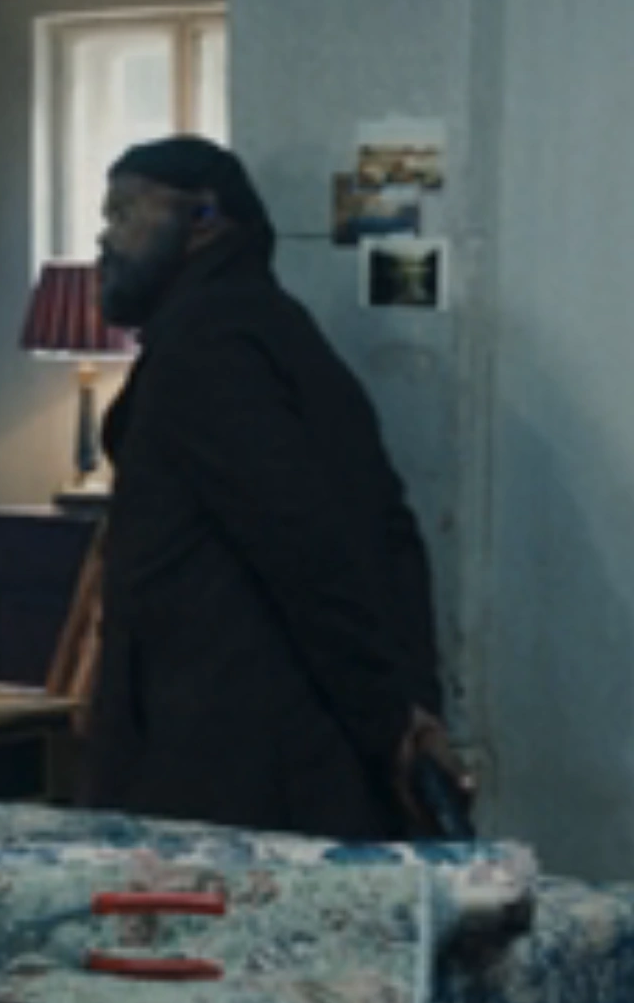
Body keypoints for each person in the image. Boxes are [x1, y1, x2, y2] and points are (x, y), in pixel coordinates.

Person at [79, 134, 468, 841]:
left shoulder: (209, 346)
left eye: (124, 213)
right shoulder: (267, 327)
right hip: (274, 745)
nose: (105, 239)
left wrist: (392, 720)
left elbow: (303, 545)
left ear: (203, 219)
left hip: (236, 761)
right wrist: (405, 708)